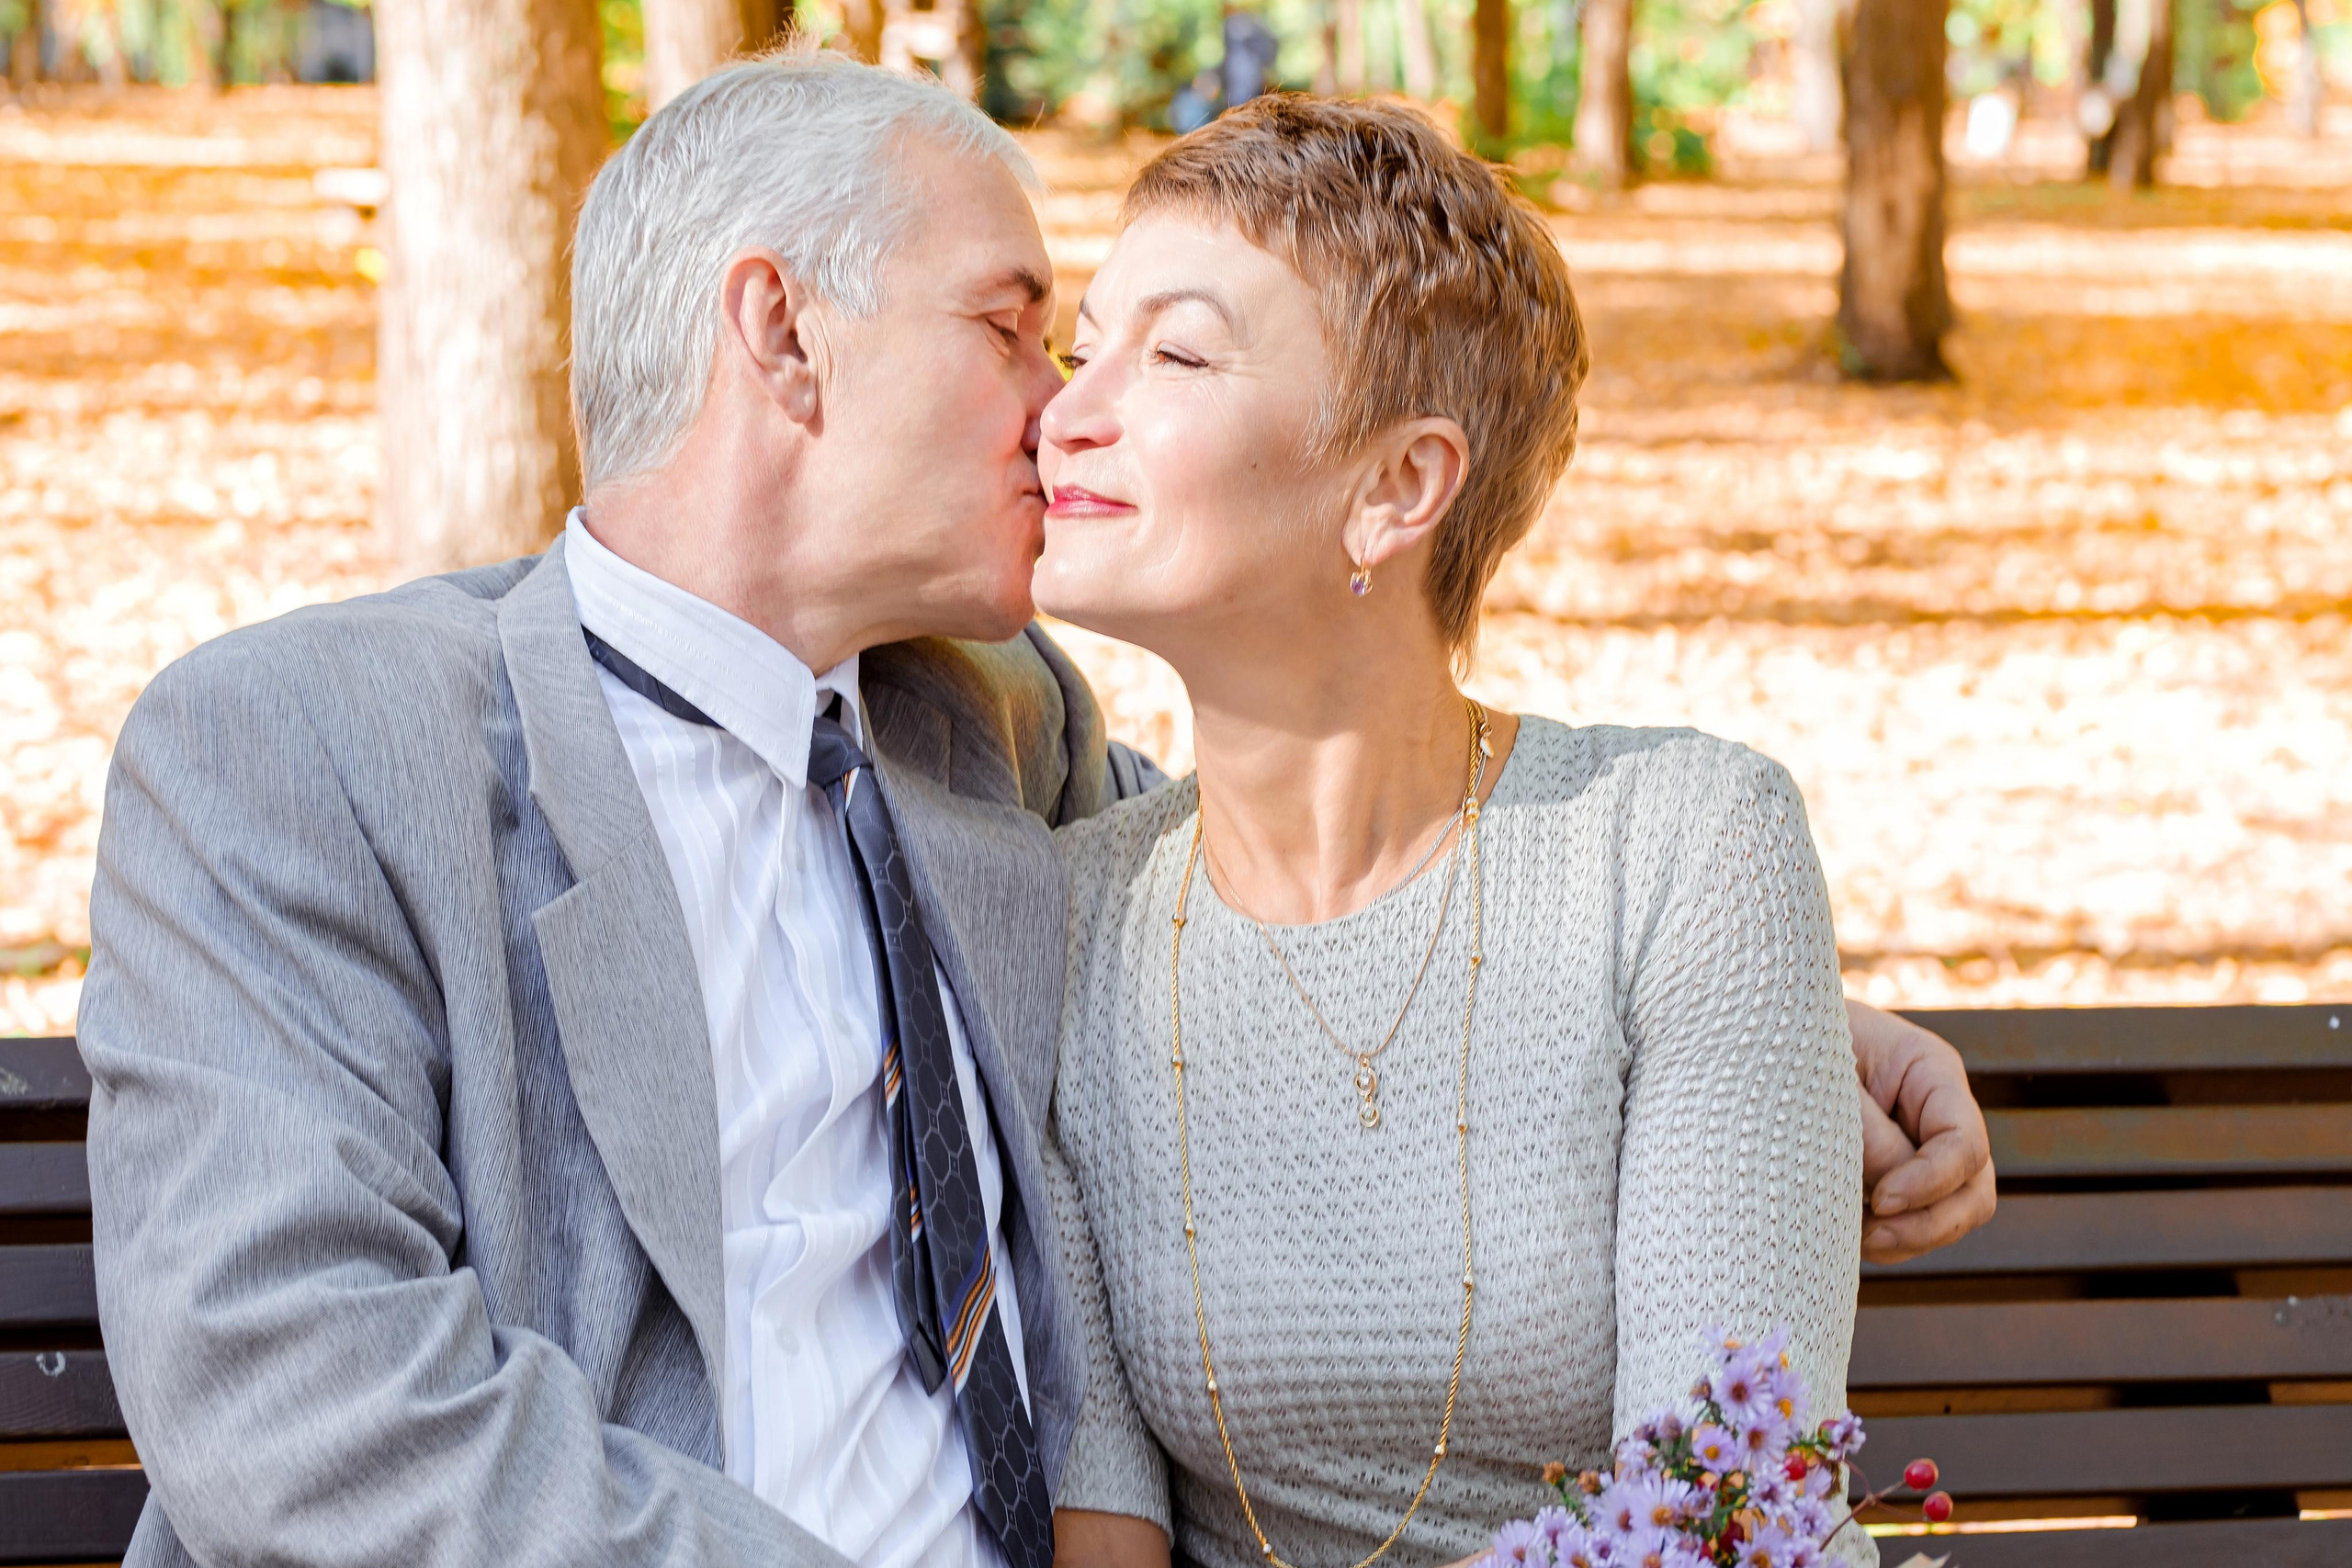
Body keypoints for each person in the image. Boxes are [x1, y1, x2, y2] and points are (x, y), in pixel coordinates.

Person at [76, 51, 1983, 1568]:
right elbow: (289, 1383)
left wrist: (1767, 1018)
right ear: (784, 337)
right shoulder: (300, 741)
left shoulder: (984, 728)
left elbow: (1336, 880)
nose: (1059, 404)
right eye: (1016, 327)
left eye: (1113, 350)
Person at [1034, 97, 1894, 1568]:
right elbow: (1103, 1535)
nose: (1068, 413)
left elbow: (1728, 1522)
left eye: (1172, 353)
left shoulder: (1682, 848)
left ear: (1396, 488)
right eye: (1078, 348)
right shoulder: (1066, 925)